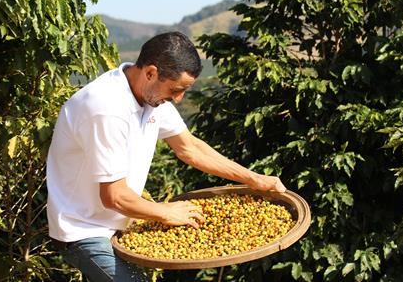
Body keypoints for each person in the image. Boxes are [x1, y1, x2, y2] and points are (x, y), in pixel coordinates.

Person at [46, 31, 286, 281]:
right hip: (84, 229)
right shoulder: (105, 108)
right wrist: (165, 212)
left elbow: (190, 148)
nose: (179, 99)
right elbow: (114, 197)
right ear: (150, 72)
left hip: (125, 223)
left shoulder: (151, 96)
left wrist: (254, 180)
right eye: (176, 89)